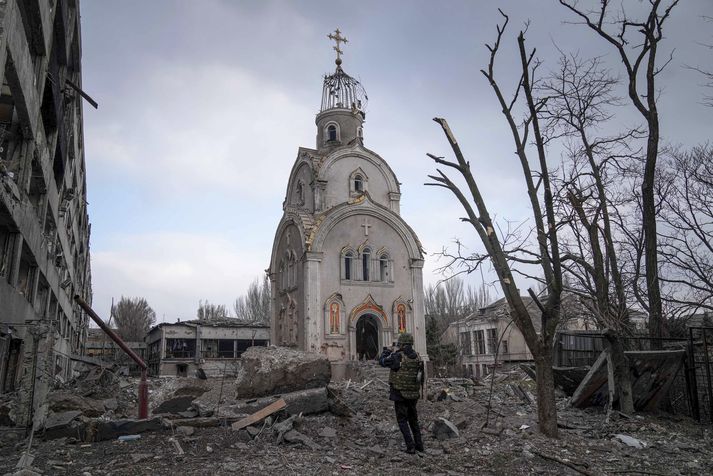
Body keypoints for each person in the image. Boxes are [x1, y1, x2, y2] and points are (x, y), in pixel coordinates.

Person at [379, 332, 424, 454]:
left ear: (402, 344)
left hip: (400, 393)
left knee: (402, 420)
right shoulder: (418, 357)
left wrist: (387, 351)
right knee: (413, 420)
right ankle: (419, 445)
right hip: (413, 393)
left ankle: (410, 446)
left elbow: (382, 362)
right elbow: (421, 377)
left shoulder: (397, 356)